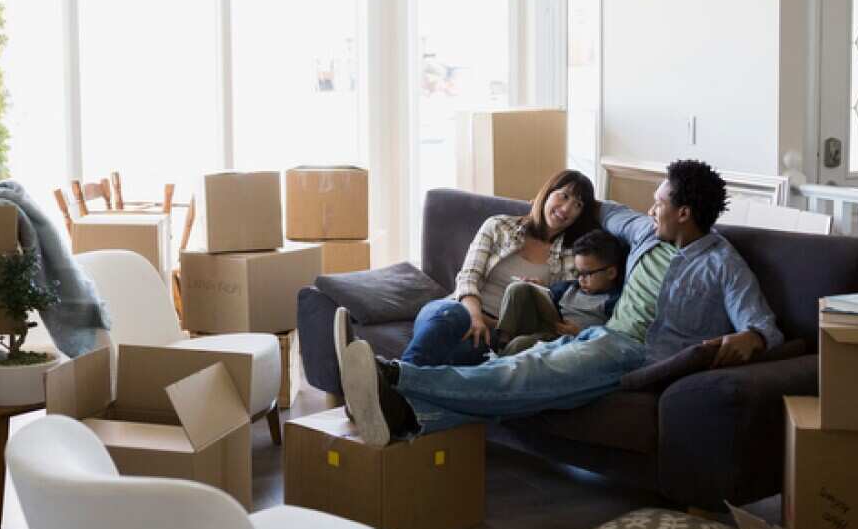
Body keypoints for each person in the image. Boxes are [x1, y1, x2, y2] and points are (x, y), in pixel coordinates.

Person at [340, 159, 784, 447]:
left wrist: (752, 336)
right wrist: (560, 202)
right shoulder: (644, 232)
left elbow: (764, 324)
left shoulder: (724, 265)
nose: (651, 210)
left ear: (683, 213)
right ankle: (406, 416)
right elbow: (603, 207)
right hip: (599, 338)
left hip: (636, 353)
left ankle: (393, 376)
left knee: (521, 371)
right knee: (520, 382)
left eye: (659, 203)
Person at [336, 170, 604, 373]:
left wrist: (539, 295)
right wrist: (474, 316)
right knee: (445, 316)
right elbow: (469, 276)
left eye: (578, 205)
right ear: (548, 192)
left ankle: (384, 379)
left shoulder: (573, 257)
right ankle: (390, 379)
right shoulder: (498, 226)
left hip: (498, 335)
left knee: (452, 357)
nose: (567, 208)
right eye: (564, 195)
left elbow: (563, 309)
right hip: (459, 308)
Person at [496, 229, 624, 355]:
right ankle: (502, 342)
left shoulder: (613, 301)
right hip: (552, 325)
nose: (580, 279)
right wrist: (537, 287)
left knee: (519, 344)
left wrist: (580, 333)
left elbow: (611, 337)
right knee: (519, 287)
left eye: (587, 274)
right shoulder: (569, 288)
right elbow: (546, 298)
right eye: (578, 273)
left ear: (611, 273)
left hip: (568, 342)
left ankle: (498, 362)